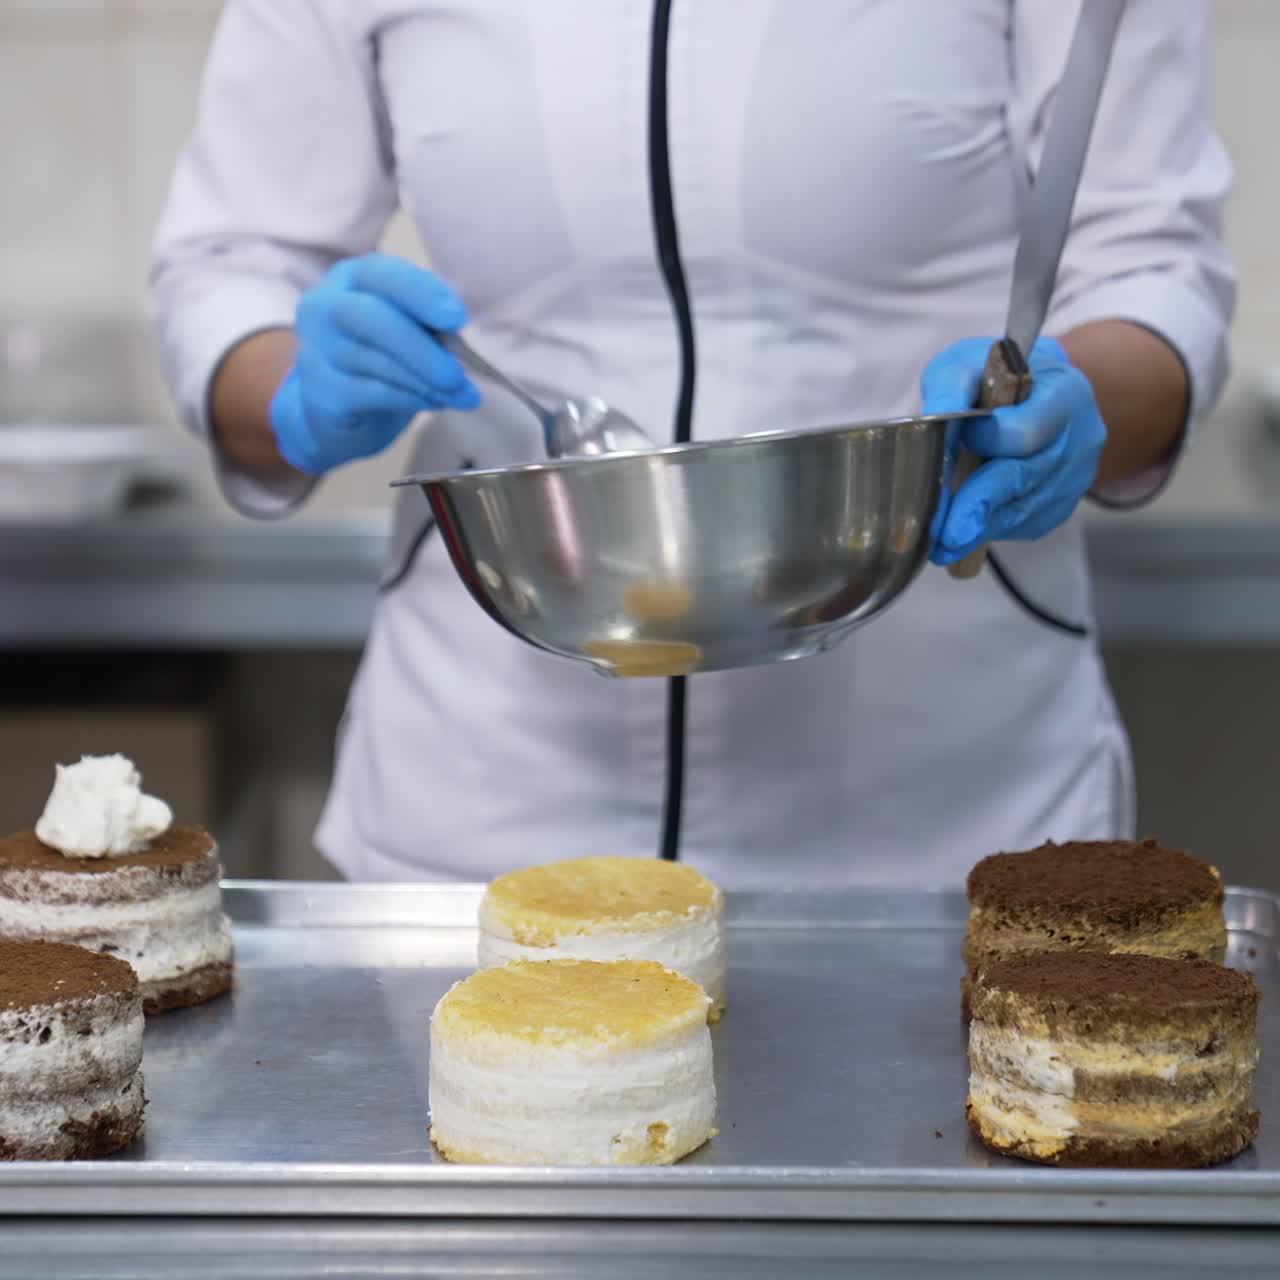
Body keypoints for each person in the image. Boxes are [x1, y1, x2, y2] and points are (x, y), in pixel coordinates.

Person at [149, 1, 1234, 888]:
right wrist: (295, 382)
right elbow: (230, 263)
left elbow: (1149, 265)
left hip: (933, 800)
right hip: (489, 793)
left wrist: (1077, 398)